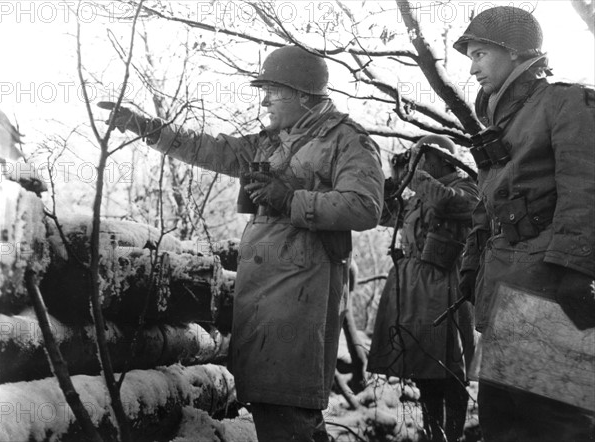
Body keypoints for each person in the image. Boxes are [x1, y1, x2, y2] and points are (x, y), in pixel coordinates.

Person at [100, 45, 384, 442]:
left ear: (303, 95)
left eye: (272, 90)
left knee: (286, 404)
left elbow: (366, 207)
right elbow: (209, 148)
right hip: (266, 292)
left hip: (303, 294)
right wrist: (145, 126)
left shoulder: (346, 140)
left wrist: (291, 199)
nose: (264, 100)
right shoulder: (274, 140)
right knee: (276, 404)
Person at [453, 6, 595, 442]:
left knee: (554, 423)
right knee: (503, 422)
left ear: (515, 54)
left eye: (480, 55)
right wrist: (471, 266)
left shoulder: (565, 101)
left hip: (547, 289)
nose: (473, 68)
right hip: (505, 287)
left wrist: (576, 269)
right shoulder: (502, 122)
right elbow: (489, 205)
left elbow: (585, 187)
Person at [368, 135, 479, 442]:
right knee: (424, 369)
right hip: (415, 288)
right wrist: (386, 183)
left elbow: (448, 202)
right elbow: (381, 215)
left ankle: (454, 435)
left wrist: (418, 178)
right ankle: (434, 435)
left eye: (422, 157)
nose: (417, 163)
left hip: (448, 287)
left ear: (443, 159)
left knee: (451, 370)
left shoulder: (467, 186)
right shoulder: (416, 194)